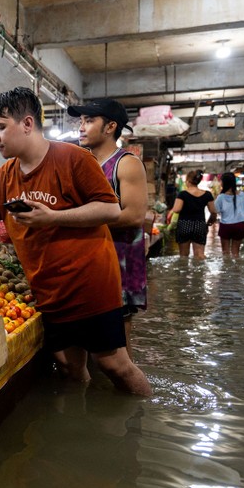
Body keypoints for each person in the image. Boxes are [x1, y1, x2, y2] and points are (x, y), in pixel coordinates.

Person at [0, 87, 152, 396]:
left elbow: (110, 208)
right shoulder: (3, 177)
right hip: (48, 290)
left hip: (90, 284)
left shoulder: (73, 159)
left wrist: (53, 217)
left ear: (28, 124)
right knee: (73, 367)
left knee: (116, 365)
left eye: (0, 127)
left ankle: (139, 425)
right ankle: (84, 425)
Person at [69, 99, 148, 356]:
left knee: (118, 351)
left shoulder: (126, 164)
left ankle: (125, 394)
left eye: (89, 121)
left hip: (118, 264)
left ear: (110, 127)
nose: (81, 127)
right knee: (90, 348)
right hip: (88, 262)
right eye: (80, 121)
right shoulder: (82, 163)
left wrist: (70, 219)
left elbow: (135, 216)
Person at [168, 170, 217, 260]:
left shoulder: (183, 194)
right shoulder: (207, 195)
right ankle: (200, 274)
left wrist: (171, 212)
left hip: (184, 225)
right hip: (199, 225)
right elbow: (213, 212)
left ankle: (184, 273)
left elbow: (177, 209)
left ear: (188, 181)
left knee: (183, 256)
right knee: (199, 256)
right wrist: (210, 222)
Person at [214, 172, 244, 257]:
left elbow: (215, 211)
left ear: (224, 183)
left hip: (225, 226)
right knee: (236, 253)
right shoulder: (242, 195)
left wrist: (211, 221)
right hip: (239, 225)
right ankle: (236, 269)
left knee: (225, 253)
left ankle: (225, 270)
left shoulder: (221, 197)